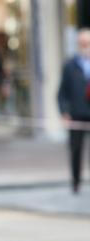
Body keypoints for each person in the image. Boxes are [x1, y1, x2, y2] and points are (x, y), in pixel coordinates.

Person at [58, 28, 90, 195]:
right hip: (77, 114)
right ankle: (76, 182)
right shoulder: (70, 66)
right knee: (76, 150)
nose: (85, 46)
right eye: (82, 43)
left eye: (87, 43)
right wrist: (64, 111)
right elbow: (62, 92)